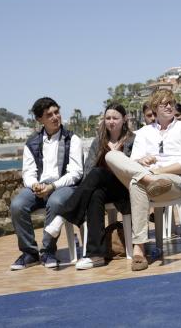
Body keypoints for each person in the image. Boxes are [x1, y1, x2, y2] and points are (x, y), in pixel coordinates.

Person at [104, 89, 181, 271]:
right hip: (148, 179)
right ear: (155, 108)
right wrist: (141, 161)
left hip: (175, 180)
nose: (170, 106)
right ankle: (148, 180)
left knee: (136, 183)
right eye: (164, 104)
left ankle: (138, 249)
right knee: (113, 156)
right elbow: (132, 163)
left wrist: (157, 171)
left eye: (171, 102)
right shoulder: (144, 132)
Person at [44, 104, 134, 270]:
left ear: (124, 119)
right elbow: (87, 173)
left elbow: (133, 169)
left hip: (124, 187)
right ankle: (96, 255)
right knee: (94, 193)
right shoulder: (99, 142)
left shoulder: (132, 140)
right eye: (108, 118)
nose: (111, 122)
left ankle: (62, 217)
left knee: (99, 173)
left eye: (115, 118)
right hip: (104, 190)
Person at [9, 97, 83, 270]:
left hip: (65, 186)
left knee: (55, 201)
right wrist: (34, 185)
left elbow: (76, 173)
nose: (55, 117)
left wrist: (53, 187)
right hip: (40, 186)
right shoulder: (31, 143)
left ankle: (48, 250)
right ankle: (30, 253)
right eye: (49, 115)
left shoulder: (73, 139)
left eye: (57, 112)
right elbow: (28, 172)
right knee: (17, 205)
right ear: (39, 120)